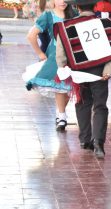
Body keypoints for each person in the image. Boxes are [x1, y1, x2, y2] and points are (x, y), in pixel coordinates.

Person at [55, 0, 111, 158]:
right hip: (100, 73)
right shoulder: (106, 24)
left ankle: (85, 139)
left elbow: (61, 53)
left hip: (79, 72)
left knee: (82, 103)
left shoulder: (67, 27)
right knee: (100, 106)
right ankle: (98, 142)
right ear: (95, 7)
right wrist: (108, 70)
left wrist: (63, 67)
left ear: (76, 7)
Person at [26, 0, 75, 131]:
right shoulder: (48, 16)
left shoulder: (74, 14)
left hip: (73, 55)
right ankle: (62, 116)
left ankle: (61, 114)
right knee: (60, 86)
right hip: (55, 56)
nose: (63, 1)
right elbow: (31, 36)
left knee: (69, 87)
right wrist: (40, 53)